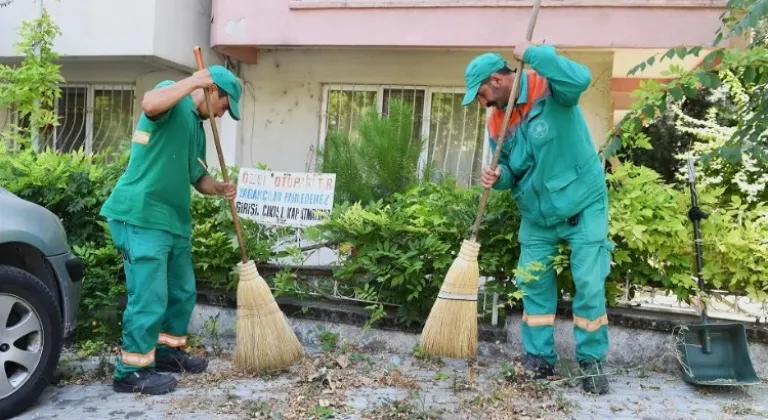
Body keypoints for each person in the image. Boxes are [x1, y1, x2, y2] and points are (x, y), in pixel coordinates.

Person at [462, 44, 614, 395]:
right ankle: (539, 359)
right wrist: (497, 177)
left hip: (582, 203)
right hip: (537, 213)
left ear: (497, 80)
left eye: (481, 93)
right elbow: (512, 171)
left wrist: (535, 53)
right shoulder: (496, 118)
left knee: (589, 283)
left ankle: (591, 360)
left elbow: (582, 78)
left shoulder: (550, 86)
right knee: (533, 282)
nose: (481, 102)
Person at [99, 65, 243, 395]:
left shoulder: (196, 129)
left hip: (173, 221)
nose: (221, 116)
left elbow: (197, 177)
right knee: (149, 295)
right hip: (141, 214)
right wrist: (192, 80)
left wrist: (219, 187)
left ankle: (166, 353)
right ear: (211, 91)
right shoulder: (171, 98)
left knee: (181, 292)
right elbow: (149, 103)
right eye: (223, 107)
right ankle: (131, 371)